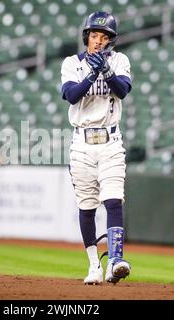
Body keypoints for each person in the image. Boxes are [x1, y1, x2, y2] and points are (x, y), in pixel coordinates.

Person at [61, 11, 132, 285]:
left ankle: (115, 261)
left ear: (110, 41)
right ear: (86, 37)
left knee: (113, 200)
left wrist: (105, 69)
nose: (98, 41)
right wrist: (92, 74)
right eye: (94, 35)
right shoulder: (71, 63)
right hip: (81, 142)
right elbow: (71, 95)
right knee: (87, 206)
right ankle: (94, 265)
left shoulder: (120, 61)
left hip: (111, 140)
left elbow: (123, 90)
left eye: (104, 37)